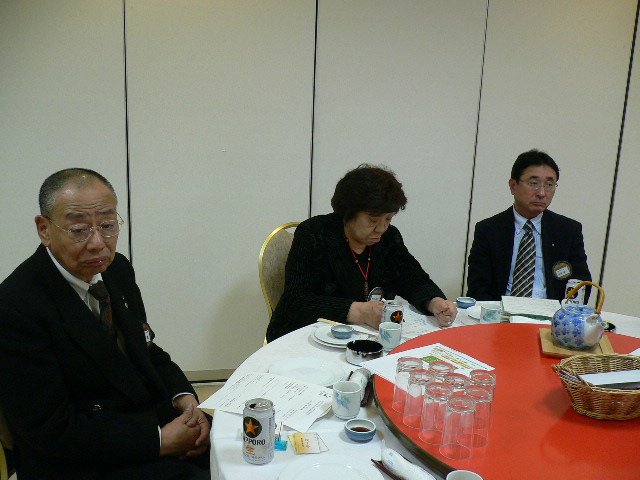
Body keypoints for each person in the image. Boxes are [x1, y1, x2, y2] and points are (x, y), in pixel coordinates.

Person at [0, 169, 211, 480]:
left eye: (108, 226)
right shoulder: (16, 306)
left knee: (240, 446)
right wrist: (158, 441)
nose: (98, 243)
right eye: (79, 230)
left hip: (141, 419)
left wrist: (185, 399)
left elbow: (146, 348)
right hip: (81, 458)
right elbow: (48, 429)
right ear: (44, 229)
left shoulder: (117, 269)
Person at [266, 164, 457, 341]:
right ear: (348, 213)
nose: (381, 228)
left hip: (365, 338)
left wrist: (434, 302)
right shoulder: (314, 234)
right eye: (373, 220)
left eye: (388, 219)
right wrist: (359, 311)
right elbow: (295, 301)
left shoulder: (389, 238)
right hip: (309, 337)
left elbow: (412, 278)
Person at [467, 149, 591, 302]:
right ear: (513, 186)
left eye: (549, 184)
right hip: (501, 312)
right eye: (534, 183)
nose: (541, 193)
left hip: (551, 313)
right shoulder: (489, 230)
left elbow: (581, 284)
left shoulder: (568, 231)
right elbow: (478, 288)